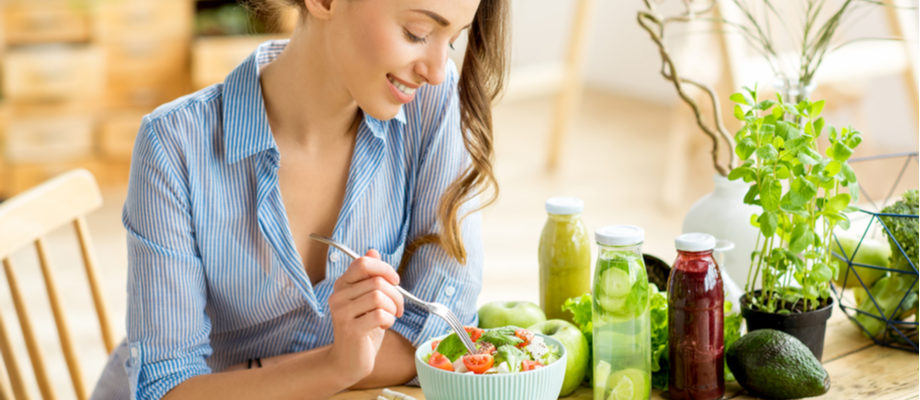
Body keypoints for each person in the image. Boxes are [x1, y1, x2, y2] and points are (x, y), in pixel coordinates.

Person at [89, 0, 508, 399]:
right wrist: (334, 366)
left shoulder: (431, 105)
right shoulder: (174, 144)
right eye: (416, 33)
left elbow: (442, 335)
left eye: (451, 39)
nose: (436, 70)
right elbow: (166, 390)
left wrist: (249, 374)